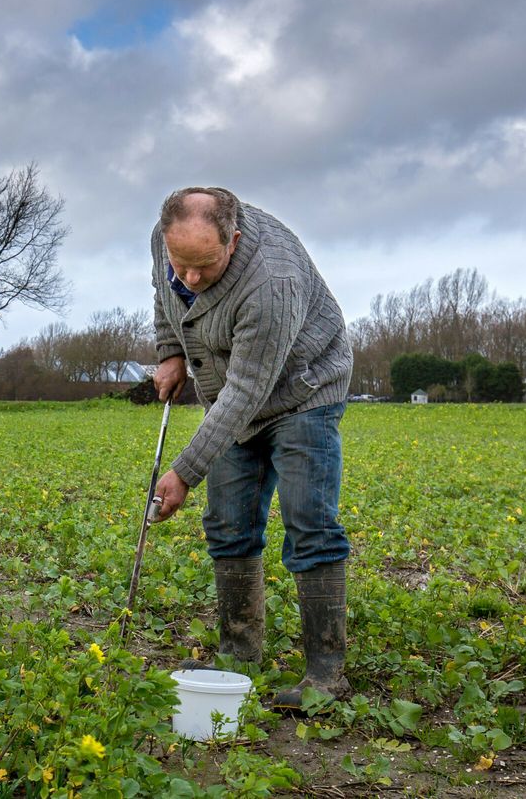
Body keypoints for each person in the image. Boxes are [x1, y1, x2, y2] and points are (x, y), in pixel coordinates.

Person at [148, 186, 353, 708]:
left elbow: (247, 392)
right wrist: (170, 350)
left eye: (205, 266)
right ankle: (239, 656)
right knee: (229, 523)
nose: (190, 278)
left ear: (233, 241)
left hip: (301, 392)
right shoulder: (168, 244)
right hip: (230, 396)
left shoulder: (272, 280)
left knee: (310, 523)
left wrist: (185, 471)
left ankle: (326, 677)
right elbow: (164, 291)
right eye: (181, 263)